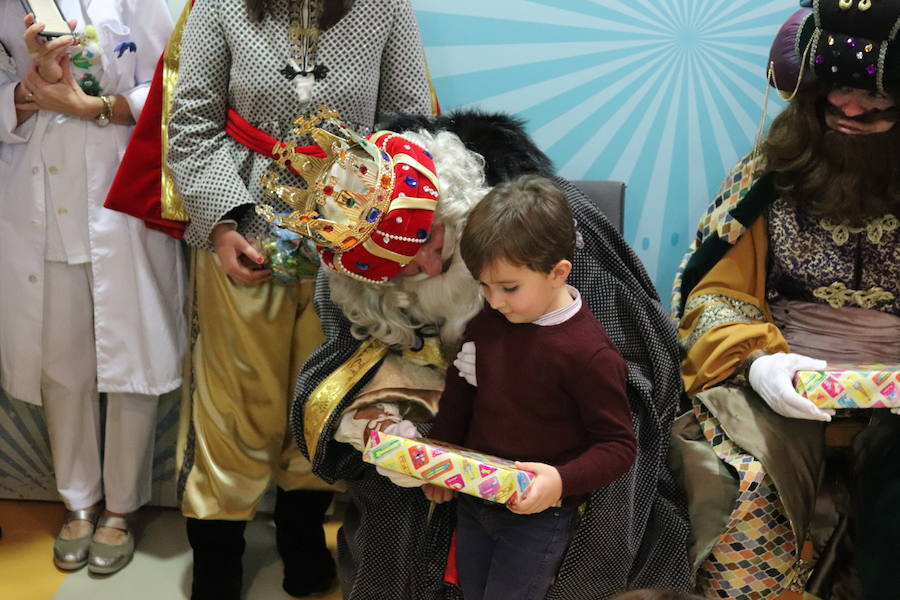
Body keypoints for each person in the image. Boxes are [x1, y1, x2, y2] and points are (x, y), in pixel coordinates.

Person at [285, 110, 691, 599]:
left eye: (431, 240)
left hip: (552, 441)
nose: (428, 264)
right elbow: (342, 369)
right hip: (444, 443)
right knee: (394, 514)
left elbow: (638, 365)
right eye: (402, 266)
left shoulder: (543, 231)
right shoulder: (348, 282)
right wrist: (382, 422)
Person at [165, 1, 435, 598]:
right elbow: (191, 124)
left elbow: (411, 126)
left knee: (323, 391)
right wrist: (222, 223)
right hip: (245, 231)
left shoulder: (384, 7)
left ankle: (302, 536)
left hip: (348, 238)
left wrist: (379, 232)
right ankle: (217, 557)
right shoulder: (221, 5)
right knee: (235, 397)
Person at [670, 2, 900, 599]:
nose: (848, 109)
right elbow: (714, 289)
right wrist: (759, 362)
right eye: (835, 95)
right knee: (739, 479)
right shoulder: (773, 174)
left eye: (874, 102)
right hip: (785, 375)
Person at [0, 0, 182, 575]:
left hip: (117, 192)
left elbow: (172, 78)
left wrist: (96, 106)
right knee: (62, 361)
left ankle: (121, 508)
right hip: (34, 199)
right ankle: (77, 500)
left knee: (132, 355)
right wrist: (30, 92)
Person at [419, 174, 637, 600]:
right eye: (484, 286)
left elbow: (618, 446)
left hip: (536, 518)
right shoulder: (487, 323)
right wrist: (440, 456)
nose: (494, 300)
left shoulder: (589, 354)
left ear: (558, 273)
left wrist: (560, 481)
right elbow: (460, 394)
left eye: (509, 288)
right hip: (474, 497)